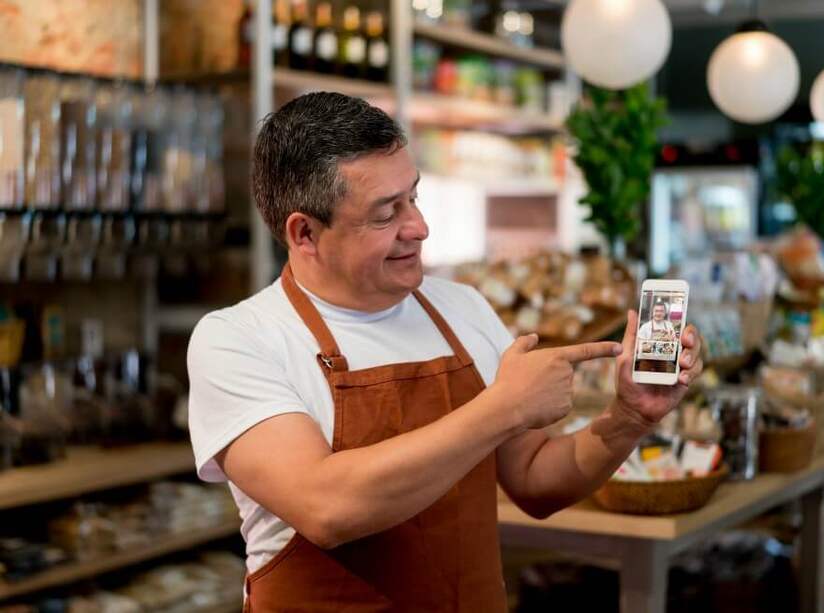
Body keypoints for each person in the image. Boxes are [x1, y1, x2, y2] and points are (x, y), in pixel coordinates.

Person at [186, 92, 703, 612]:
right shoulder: (240, 339)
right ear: (306, 233)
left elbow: (535, 479)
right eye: (387, 214)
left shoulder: (461, 308)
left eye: (413, 198)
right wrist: (503, 407)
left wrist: (628, 417)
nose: (418, 227)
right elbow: (327, 506)